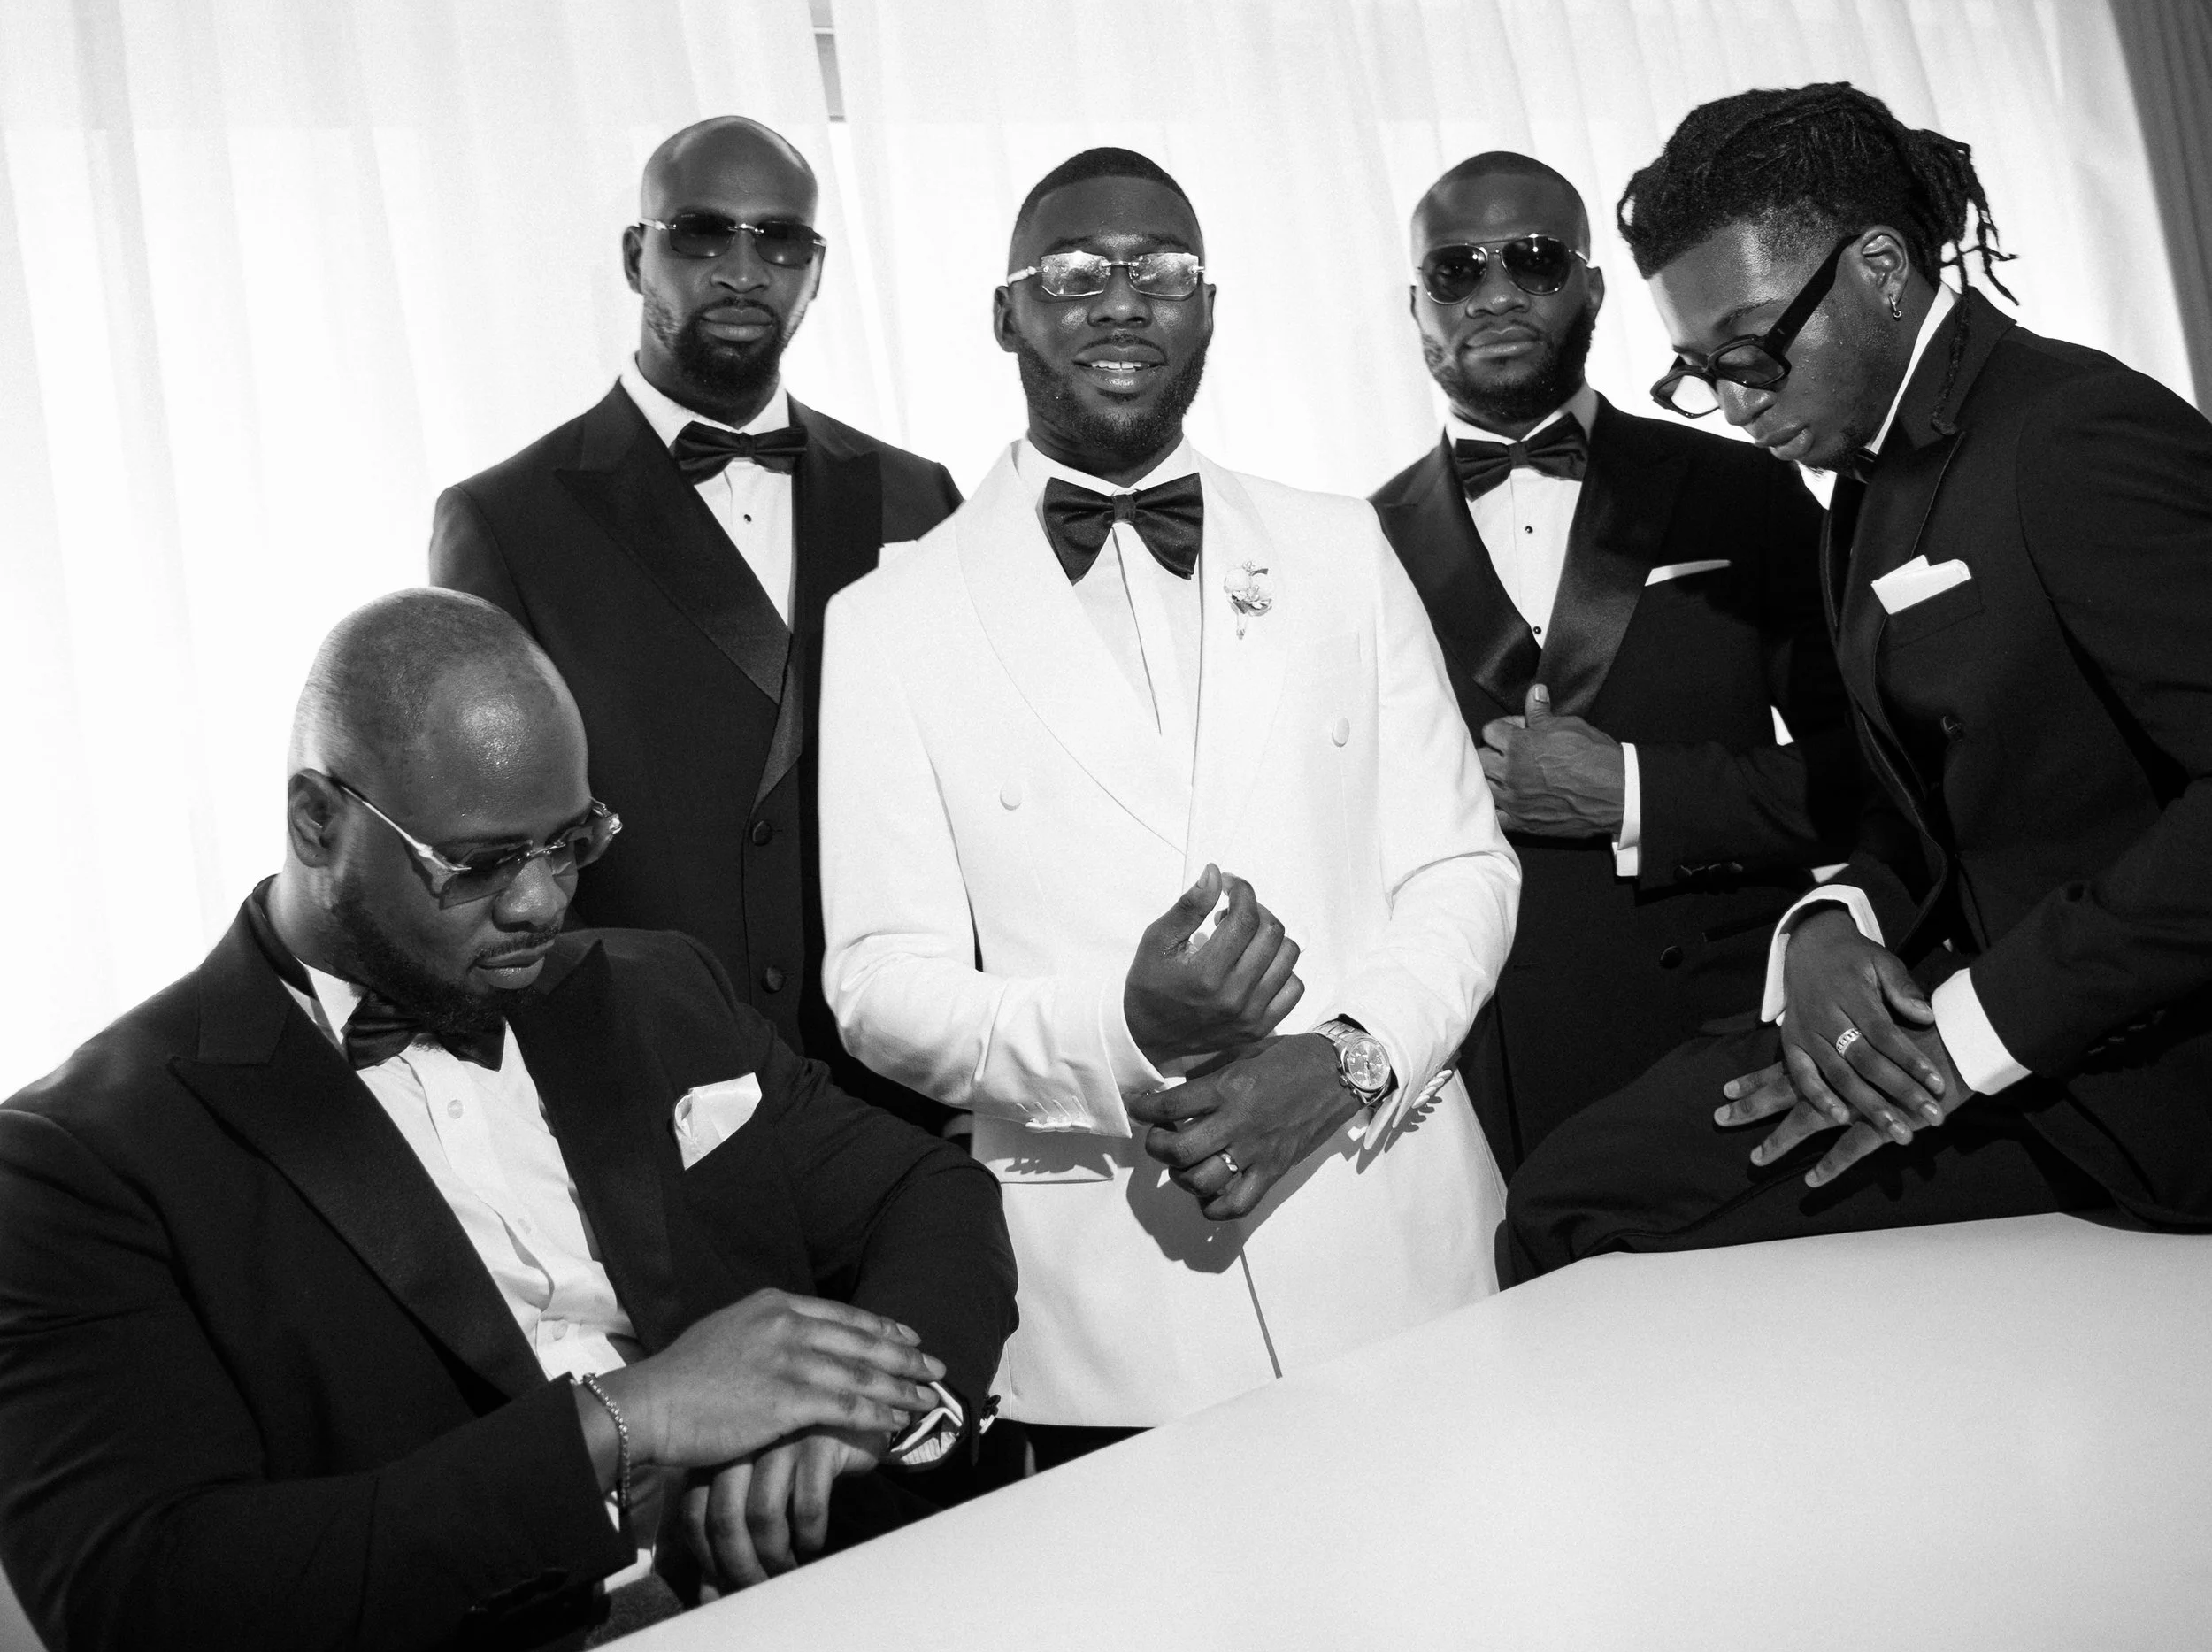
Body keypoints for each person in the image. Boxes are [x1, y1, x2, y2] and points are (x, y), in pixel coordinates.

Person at [0, 590, 1015, 1652]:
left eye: (571, 841)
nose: (540, 902)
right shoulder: (75, 1156)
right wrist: (628, 1418)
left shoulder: (658, 990)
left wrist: (854, 1412)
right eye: (477, 865)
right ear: (318, 820)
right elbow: (157, 1623)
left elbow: (930, 1191)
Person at [818, 145, 1518, 1465]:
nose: (1122, 299)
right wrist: (1123, 1027)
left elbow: (1462, 868)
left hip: (1405, 1239)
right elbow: (876, 981)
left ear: (1208, 308)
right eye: (1073, 272)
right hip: (1115, 1319)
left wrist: (1348, 1058)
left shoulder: (1337, 547)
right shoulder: (889, 619)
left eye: (1164, 272)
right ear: (1005, 311)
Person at [1502, 80, 2212, 1279]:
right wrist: (1835, 918)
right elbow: (1925, 800)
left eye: (1754, 350)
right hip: (1957, 1003)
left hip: (2131, 1077)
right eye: (1697, 370)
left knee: (1591, 1206)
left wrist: (1971, 1033)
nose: (1734, 402)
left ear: (1881, 266)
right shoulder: (1863, 482)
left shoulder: (2074, 433)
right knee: (1578, 1182)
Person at [429, 116, 958, 1092]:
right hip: (662, 1090)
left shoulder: (918, 497)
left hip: (908, 1083)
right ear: (639, 255)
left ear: (817, 267)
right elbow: (493, 847)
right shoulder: (505, 520)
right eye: (703, 233)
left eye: (779, 239)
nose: (744, 270)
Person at [1372, 149, 1858, 1173]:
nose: (1496, 291)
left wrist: (1637, 790)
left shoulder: (1743, 489)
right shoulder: (1352, 544)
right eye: (1456, 270)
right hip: (1474, 1064)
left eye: (1536, 260)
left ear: (1592, 287)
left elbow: (1869, 767)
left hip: (1723, 1034)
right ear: (1415, 307)